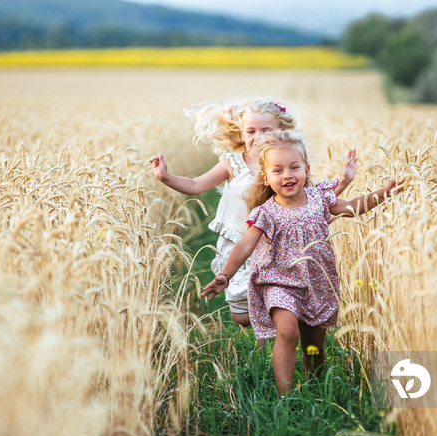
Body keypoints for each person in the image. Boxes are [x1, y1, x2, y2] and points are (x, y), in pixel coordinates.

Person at [201, 131, 404, 395]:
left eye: (294, 167)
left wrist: (383, 194)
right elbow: (245, 245)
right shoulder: (266, 212)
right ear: (266, 177)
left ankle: (315, 388)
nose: (287, 175)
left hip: (316, 281)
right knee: (287, 332)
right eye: (278, 170)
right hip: (279, 281)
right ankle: (285, 398)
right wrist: (226, 275)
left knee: (314, 347)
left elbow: (353, 207)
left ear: (306, 170)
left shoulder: (319, 198)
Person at [150, 97, 356, 327]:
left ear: (281, 132)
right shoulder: (232, 163)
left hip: (274, 245)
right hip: (238, 243)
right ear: (242, 133)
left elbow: (313, 199)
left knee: (279, 301)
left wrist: (344, 182)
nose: (257, 137)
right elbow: (196, 185)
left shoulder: (287, 165)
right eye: (250, 131)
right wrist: (164, 177)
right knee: (241, 317)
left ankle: (284, 320)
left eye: (266, 131)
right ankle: (276, 316)